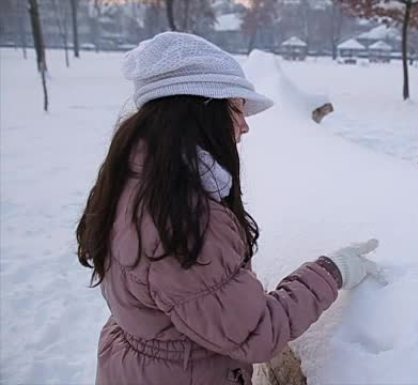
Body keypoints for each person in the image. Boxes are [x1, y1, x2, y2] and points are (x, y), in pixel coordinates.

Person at [76, 32, 381, 385]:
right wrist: (333, 270)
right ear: (199, 113)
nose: (245, 125)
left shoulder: (134, 179)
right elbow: (256, 333)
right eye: (236, 108)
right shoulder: (182, 221)